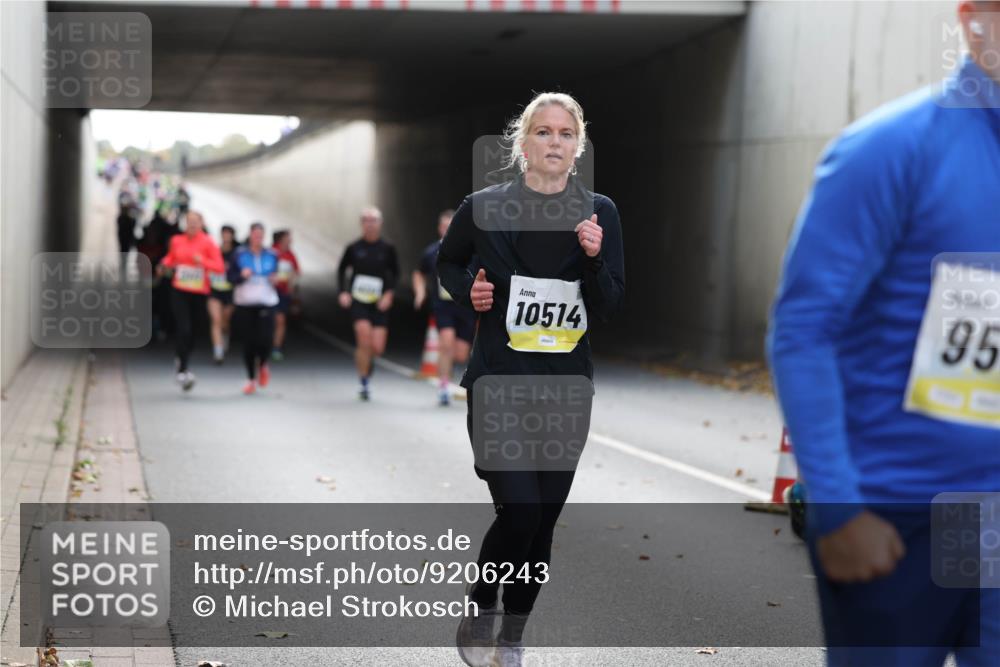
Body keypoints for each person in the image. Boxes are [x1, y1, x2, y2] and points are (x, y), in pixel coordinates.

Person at [768, 3, 999, 665]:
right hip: (894, 519)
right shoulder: (889, 148)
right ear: (974, 20)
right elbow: (804, 330)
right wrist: (839, 510)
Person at [438, 92, 624, 667]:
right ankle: (481, 602)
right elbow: (448, 262)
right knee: (518, 511)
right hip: (499, 382)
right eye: (542, 132)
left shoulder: (599, 213)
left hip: (567, 388)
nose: (554, 143)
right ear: (523, 143)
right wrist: (467, 287)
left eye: (565, 134)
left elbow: (611, 302)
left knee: (541, 524)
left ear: (579, 145)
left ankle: (513, 638)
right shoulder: (484, 205)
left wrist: (594, 259)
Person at [413, 209, 477, 406]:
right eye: (444, 226)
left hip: (465, 307)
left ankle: (447, 381)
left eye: (451, 226)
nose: (447, 230)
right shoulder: (432, 252)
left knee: (461, 354)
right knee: (446, 344)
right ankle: (443, 387)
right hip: (443, 306)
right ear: (439, 228)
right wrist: (420, 292)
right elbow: (419, 273)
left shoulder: (472, 251)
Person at [336, 208, 400, 401]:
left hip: (379, 303)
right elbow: (341, 270)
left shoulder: (388, 248)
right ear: (361, 224)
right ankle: (364, 382)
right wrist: (343, 292)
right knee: (363, 339)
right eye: (366, 220)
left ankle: (368, 362)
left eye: (373, 220)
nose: (370, 224)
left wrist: (389, 294)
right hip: (359, 301)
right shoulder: (353, 247)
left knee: (377, 347)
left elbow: (396, 273)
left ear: (380, 223)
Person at [157, 210, 224, 391]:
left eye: (196, 222)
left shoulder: (209, 243)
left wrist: (202, 261)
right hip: (180, 290)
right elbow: (171, 258)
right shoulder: (177, 240)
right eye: (189, 222)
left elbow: (219, 267)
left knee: (194, 331)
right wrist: (163, 264)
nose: (192, 225)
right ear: (185, 224)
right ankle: (183, 368)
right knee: (183, 328)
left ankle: (182, 357)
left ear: (202, 224)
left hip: (199, 292)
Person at [230, 222, 280, 395]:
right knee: (249, 343)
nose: (258, 238)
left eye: (261, 235)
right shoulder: (239, 254)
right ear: (250, 235)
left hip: (267, 302)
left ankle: (264, 363)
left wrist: (275, 280)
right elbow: (230, 277)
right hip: (245, 303)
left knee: (265, 338)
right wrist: (241, 277)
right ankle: (251, 379)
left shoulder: (272, 255)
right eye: (255, 234)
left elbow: (276, 276)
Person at [207, 224, 238, 364]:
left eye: (228, 234)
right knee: (216, 319)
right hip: (214, 290)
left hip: (230, 291)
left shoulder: (237, 253)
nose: (226, 236)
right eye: (224, 233)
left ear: (232, 236)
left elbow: (241, 271)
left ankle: (225, 335)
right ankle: (218, 351)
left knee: (225, 321)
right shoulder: (215, 250)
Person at [271, 229, 301, 361]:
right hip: (269, 292)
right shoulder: (271, 252)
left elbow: (297, 272)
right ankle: (265, 344)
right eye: (289, 237)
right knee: (268, 321)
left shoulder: (291, 255)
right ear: (281, 239)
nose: (291, 240)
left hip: (283, 293)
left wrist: (292, 283)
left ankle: (276, 348)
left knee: (281, 320)